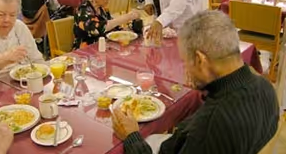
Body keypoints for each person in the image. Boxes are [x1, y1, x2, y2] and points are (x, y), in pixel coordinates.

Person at [113, 10, 279, 154]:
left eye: (185, 62)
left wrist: (132, 137)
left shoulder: (211, 126)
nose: (185, 69)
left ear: (200, 60)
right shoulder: (266, 87)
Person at [73, 0, 140, 49]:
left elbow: (111, 25)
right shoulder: (83, 10)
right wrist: (126, 17)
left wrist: (125, 31)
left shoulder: (101, 7)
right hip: (85, 53)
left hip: (104, 47)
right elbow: (99, 29)